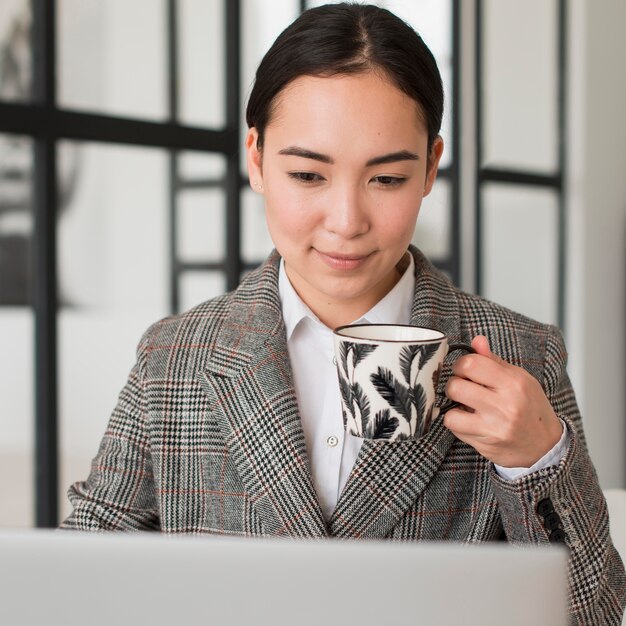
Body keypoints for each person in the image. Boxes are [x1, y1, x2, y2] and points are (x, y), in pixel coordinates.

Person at [61, 3, 625, 623]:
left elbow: (596, 613)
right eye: (307, 174)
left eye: (385, 180)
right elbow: (80, 578)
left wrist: (540, 458)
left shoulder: (521, 355)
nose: (346, 222)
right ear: (256, 158)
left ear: (432, 165)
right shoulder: (176, 356)